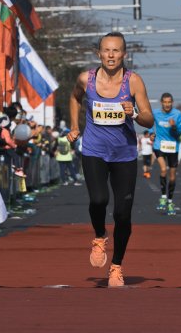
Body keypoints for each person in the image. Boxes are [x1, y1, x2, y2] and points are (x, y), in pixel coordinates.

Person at [67, 32, 154, 288]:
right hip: (94, 150)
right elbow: (74, 98)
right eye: (106, 50)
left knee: (122, 214)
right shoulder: (86, 79)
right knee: (98, 200)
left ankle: (116, 266)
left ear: (124, 54)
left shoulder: (134, 82)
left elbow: (149, 119)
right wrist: (74, 125)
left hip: (124, 154)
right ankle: (99, 236)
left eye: (116, 51)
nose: (111, 55)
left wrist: (136, 114)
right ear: (99, 54)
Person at [151, 92, 181, 215]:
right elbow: (149, 122)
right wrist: (150, 133)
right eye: (165, 102)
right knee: (163, 169)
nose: (167, 104)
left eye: (169, 102)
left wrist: (174, 127)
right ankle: (163, 197)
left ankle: (170, 201)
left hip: (172, 147)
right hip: (159, 145)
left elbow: (179, 133)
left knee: (172, 175)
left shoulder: (177, 114)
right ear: (161, 103)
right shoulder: (156, 113)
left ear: (172, 103)